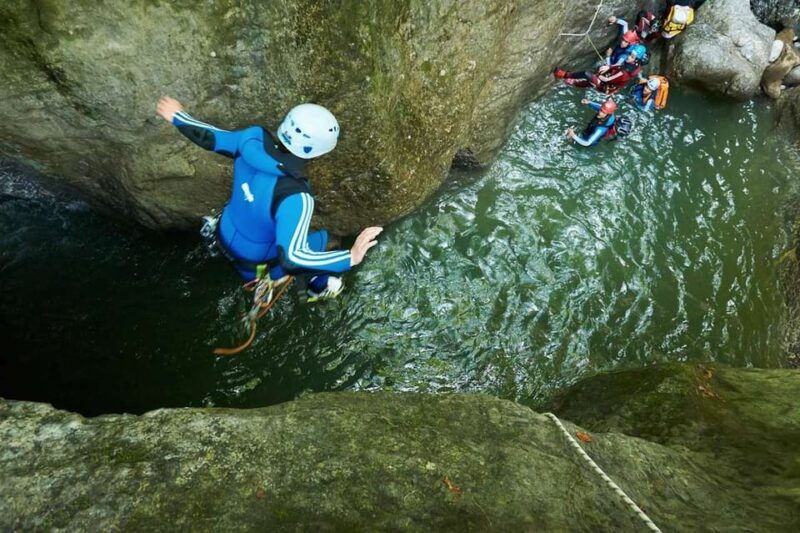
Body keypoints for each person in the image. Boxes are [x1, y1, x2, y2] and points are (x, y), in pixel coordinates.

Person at [156, 96, 382, 301]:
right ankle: (315, 285)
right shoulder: (297, 196)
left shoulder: (250, 140)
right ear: (320, 151)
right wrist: (350, 257)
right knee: (330, 240)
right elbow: (292, 259)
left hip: (221, 236)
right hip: (256, 266)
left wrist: (178, 116)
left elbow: (210, 138)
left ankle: (267, 280)